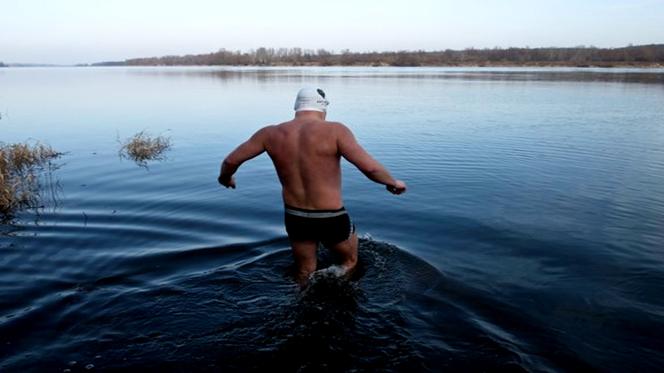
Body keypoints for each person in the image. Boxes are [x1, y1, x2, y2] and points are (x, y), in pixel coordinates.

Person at [218, 87, 406, 285]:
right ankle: (342, 300)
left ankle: (301, 304)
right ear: (323, 107)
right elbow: (370, 169)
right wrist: (393, 183)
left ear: (297, 107)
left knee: (304, 270)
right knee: (349, 262)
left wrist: (226, 178)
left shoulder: (269, 133)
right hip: (330, 217)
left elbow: (230, 161)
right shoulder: (335, 130)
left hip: (295, 216)